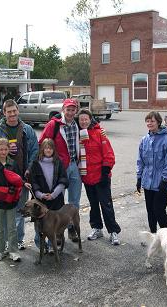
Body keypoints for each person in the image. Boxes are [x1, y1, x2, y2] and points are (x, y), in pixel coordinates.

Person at [0, 99, 39, 250]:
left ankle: (18, 240)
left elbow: (35, 150)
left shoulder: (27, 129)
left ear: (18, 111)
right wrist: (1, 155)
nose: (12, 114)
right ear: (4, 113)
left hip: (23, 178)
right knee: (5, 213)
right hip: (3, 181)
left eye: (14, 111)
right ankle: (7, 241)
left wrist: (29, 168)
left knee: (20, 211)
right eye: (9, 112)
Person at [39, 98, 82, 242]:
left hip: (74, 166)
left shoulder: (77, 124)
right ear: (63, 110)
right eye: (68, 109)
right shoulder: (54, 125)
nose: (70, 112)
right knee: (59, 202)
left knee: (74, 201)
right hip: (59, 168)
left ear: (76, 111)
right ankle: (58, 232)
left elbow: (90, 123)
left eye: (73, 109)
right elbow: (42, 143)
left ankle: (72, 229)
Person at [77, 109, 121, 245]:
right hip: (87, 177)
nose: (84, 121)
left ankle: (113, 231)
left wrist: (105, 171)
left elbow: (108, 154)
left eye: (86, 119)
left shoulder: (99, 133)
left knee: (106, 205)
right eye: (81, 119)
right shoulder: (78, 134)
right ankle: (97, 228)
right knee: (93, 205)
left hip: (101, 175)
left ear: (90, 119)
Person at [136, 111, 167, 234]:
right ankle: (153, 235)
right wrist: (139, 178)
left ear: (158, 122)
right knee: (150, 210)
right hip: (147, 182)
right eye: (148, 121)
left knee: (159, 210)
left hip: (161, 183)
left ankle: (166, 236)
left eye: (152, 121)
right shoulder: (144, 140)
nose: (150, 123)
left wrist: (165, 179)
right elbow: (140, 160)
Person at [29, 138, 69, 252]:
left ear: (53, 150)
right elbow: (33, 181)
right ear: (42, 149)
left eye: (50, 148)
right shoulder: (36, 163)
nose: (48, 150)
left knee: (54, 224)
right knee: (39, 224)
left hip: (55, 198)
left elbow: (63, 179)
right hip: (40, 200)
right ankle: (41, 245)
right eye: (46, 148)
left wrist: (54, 194)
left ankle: (53, 245)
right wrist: (40, 195)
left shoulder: (58, 162)